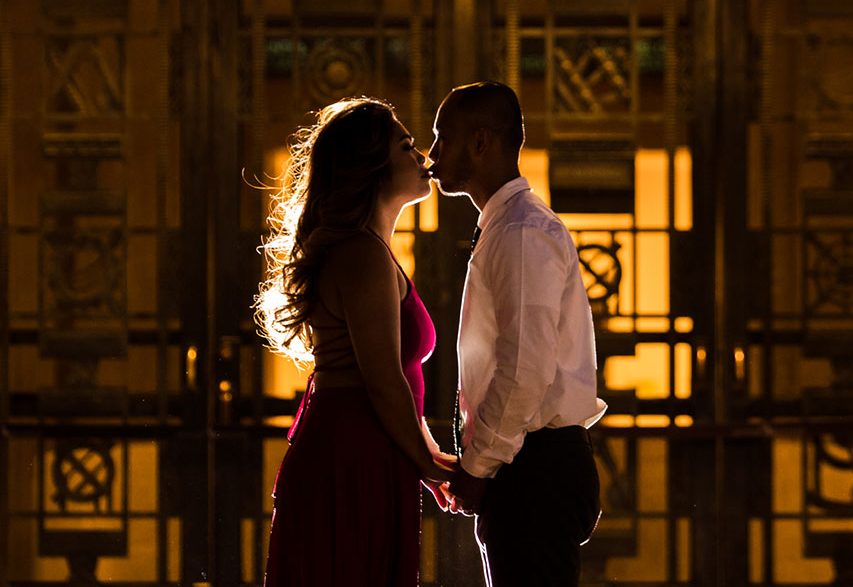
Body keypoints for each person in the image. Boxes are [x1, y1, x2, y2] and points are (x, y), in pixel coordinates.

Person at [255, 97, 458, 586]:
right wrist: (425, 463)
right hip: (352, 456)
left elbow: (399, 385)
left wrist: (428, 453)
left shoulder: (371, 251)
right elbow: (384, 381)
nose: (423, 158)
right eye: (407, 146)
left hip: (367, 447)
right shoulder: (362, 255)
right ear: (371, 166)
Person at [427, 81, 607, 586]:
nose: (433, 152)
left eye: (444, 137)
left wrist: (477, 467)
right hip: (529, 464)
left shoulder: (521, 231)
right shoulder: (508, 226)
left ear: (481, 143)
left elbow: (524, 365)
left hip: (535, 469)